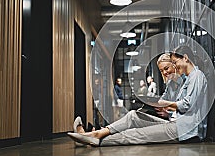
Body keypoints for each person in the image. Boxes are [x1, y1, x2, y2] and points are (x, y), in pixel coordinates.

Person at [67, 46, 207, 146]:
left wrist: (167, 105)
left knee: (135, 134)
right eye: (163, 70)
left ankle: (92, 137)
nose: (167, 72)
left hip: (184, 130)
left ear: (184, 59)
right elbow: (168, 103)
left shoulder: (194, 77)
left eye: (171, 66)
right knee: (133, 116)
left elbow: (186, 105)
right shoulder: (178, 82)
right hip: (176, 124)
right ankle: (96, 134)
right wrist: (159, 106)